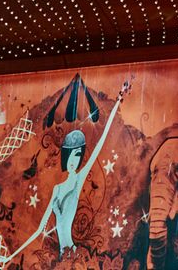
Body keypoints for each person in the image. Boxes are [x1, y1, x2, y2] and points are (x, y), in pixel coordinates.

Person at [15, 80, 129, 259]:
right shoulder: (57, 189)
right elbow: (39, 230)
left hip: (73, 255)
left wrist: (118, 100)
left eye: (78, 156)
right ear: (66, 156)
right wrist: (8, 257)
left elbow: (99, 144)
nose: (73, 161)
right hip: (62, 257)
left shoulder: (78, 180)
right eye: (71, 156)